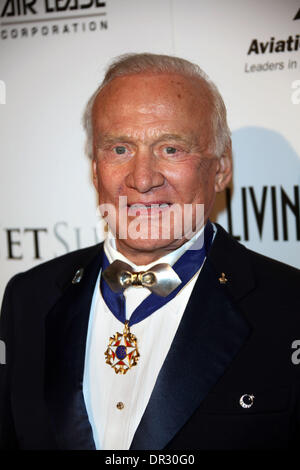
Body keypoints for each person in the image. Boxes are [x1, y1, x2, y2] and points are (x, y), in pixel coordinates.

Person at [0, 53, 299, 450]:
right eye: (120, 148)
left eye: (171, 148)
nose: (142, 179)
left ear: (221, 168)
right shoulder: (28, 297)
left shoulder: (289, 305)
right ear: (95, 169)